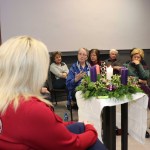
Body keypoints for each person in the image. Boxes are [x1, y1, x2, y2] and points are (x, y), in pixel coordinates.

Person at [0, 36, 106, 150]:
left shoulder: (9, 100)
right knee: (91, 137)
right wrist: (91, 129)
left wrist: (78, 125)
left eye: (84, 54)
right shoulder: (33, 109)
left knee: (80, 126)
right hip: (74, 94)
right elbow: (72, 144)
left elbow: (47, 127)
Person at [123, 48, 150, 138]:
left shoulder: (144, 66)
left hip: (143, 89)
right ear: (132, 57)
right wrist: (140, 80)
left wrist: (139, 66)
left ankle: (143, 129)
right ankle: (131, 128)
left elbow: (146, 76)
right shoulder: (126, 65)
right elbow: (128, 78)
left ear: (141, 59)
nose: (136, 59)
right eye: (135, 57)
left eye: (139, 57)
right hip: (131, 88)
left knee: (143, 108)